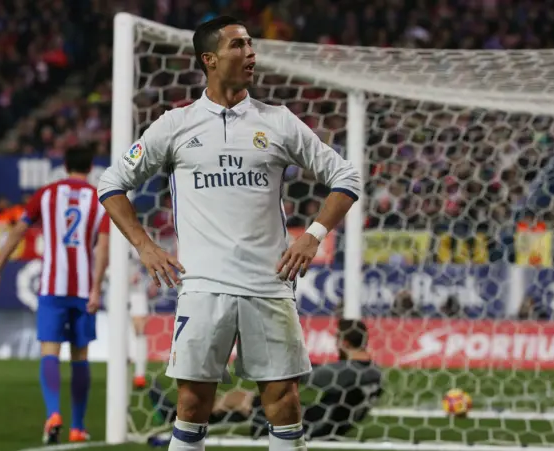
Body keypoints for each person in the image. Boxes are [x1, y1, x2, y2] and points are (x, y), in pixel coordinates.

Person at [98, 15, 361, 451]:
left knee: (283, 399)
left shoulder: (277, 121)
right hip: (203, 286)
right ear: (210, 59)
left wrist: (312, 234)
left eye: (251, 45)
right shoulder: (175, 125)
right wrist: (144, 246)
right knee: (192, 401)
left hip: (268, 284)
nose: (251, 53)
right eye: (238, 46)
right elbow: (111, 185)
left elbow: (346, 177)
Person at [0, 145, 110, 445]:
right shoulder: (99, 199)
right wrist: (95, 288)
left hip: (52, 288)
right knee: (80, 356)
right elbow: (103, 247)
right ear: (91, 166)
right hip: (82, 291)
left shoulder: (46, 194)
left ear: (64, 165)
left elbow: (16, 232)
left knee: (49, 352)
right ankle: (77, 427)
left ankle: (53, 413)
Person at [149, 319, 383, 442]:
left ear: (343, 341)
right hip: (325, 421)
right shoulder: (372, 371)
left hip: (313, 426)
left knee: (244, 399)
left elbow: (308, 378)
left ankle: (183, 417)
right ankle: (189, 417)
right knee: (248, 402)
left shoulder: (349, 371)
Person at [129, 248, 149, 389]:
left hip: (137, 291)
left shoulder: (140, 234)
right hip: (116, 290)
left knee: (139, 330)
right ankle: (124, 372)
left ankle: (140, 375)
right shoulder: (111, 237)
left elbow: (147, 258)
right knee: (123, 334)